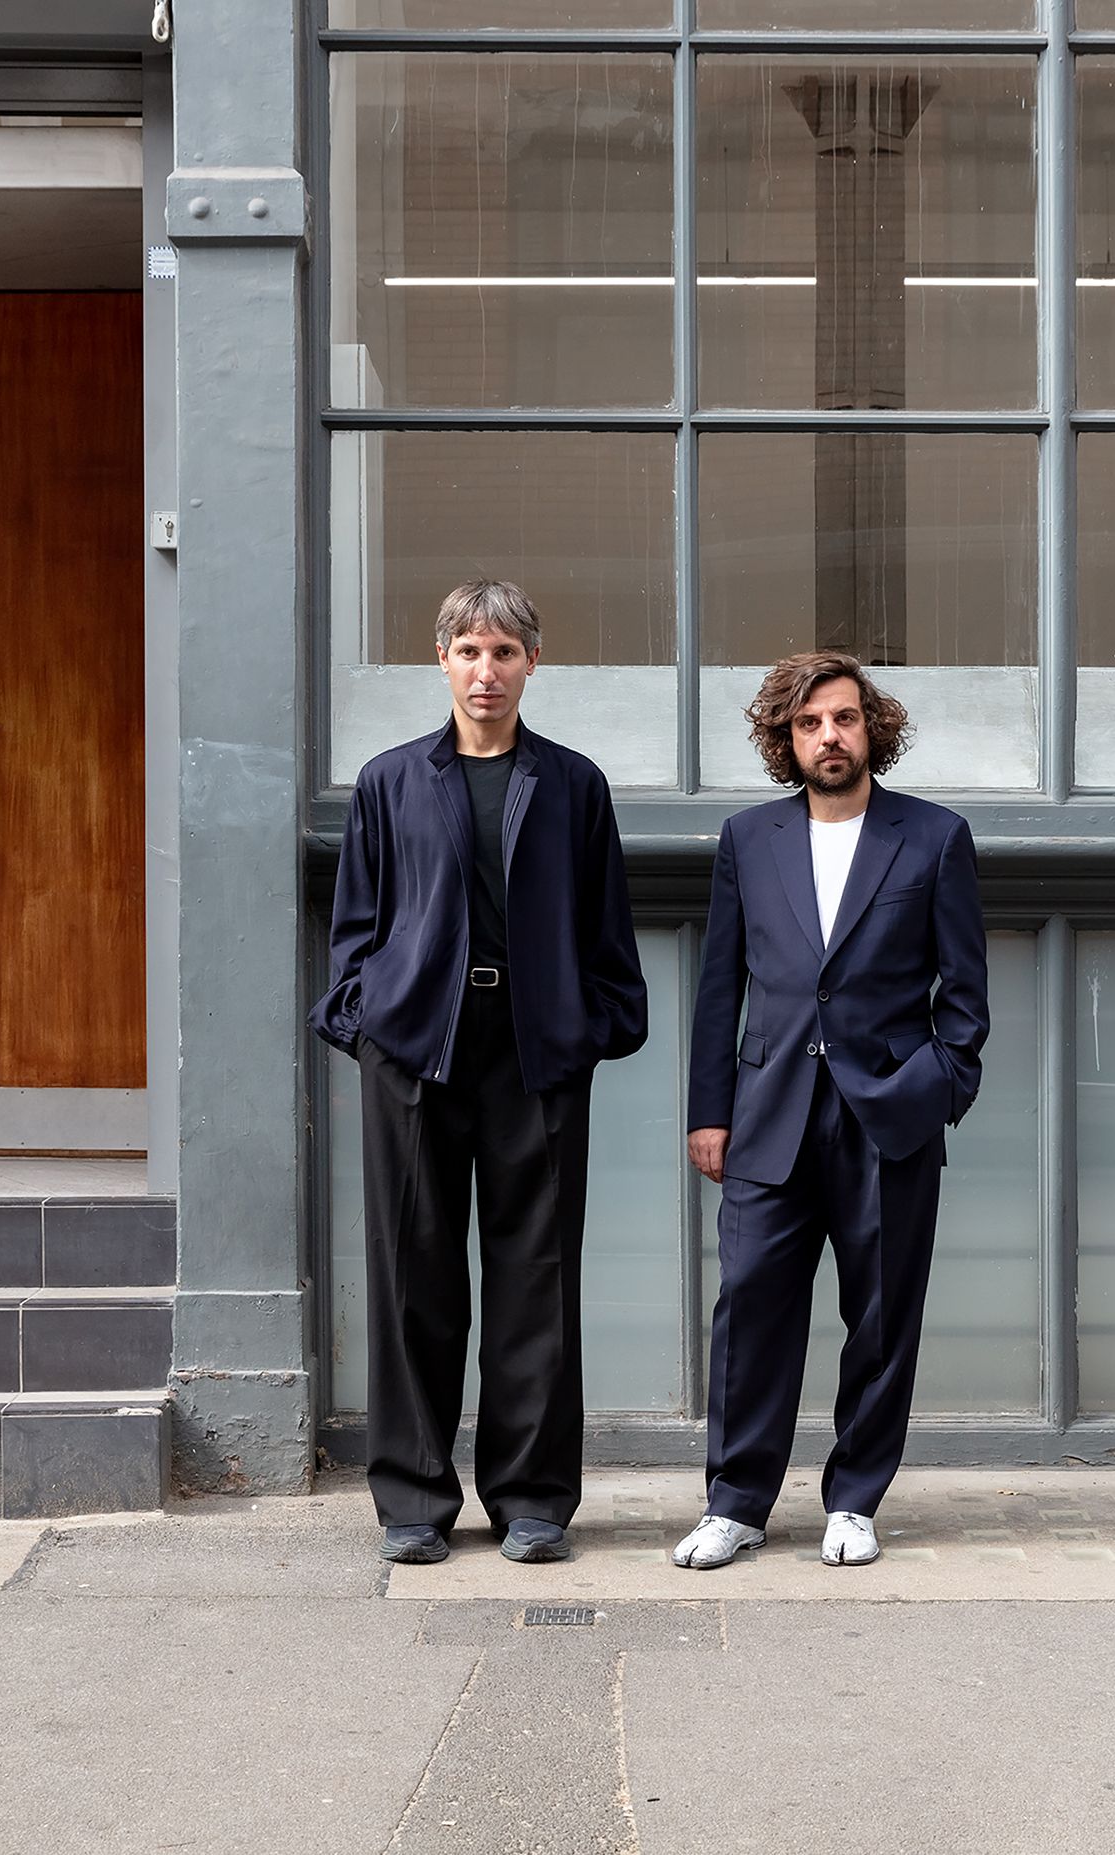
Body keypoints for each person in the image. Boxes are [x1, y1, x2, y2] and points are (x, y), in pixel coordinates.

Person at [311, 579, 648, 1567]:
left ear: (531, 663)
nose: (485, 670)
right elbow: (356, 928)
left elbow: (604, 927)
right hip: (416, 1050)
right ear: (442, 660)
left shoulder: (572, 785)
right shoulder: (390, 781)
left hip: (535, 1052)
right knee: (411, 1277)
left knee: (534, 1282)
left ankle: (532, 1497)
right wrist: (367, 1020)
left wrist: (592, 1029)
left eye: (503, 652)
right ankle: (412, 1497)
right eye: (467, 650)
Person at [673, 652, 987, 1571]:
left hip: (886, 1118)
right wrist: (708, 1112)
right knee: (750, 1311)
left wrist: (933, 1093)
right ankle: (735, 1502)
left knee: (883, 1317)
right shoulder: (748, 837)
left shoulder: (931, 838)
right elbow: (717, 985)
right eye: (809, 724)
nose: (829, 736)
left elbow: (963, 999)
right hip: (767, 1114)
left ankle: (854, 1498)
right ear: (786, 737)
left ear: (871, 727)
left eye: (844, 719)